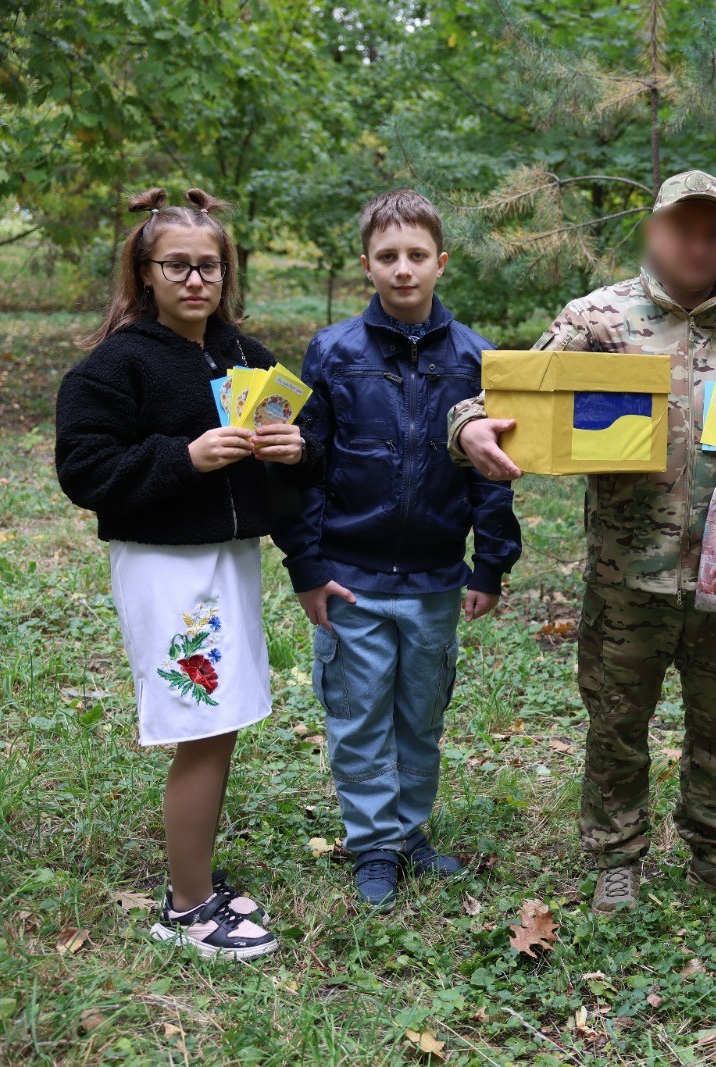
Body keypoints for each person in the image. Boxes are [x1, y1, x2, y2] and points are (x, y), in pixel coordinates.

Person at [449, 171, 716, 915]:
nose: (698, 245)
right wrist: (468, 428)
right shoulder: (599, 320)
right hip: (629, 570)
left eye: (713, 232)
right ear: (655, 231)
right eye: (683, 228)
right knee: (617, 722)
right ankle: (617, 859)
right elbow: (505, 401)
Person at [55, 187, 323, 958]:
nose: (196, 279)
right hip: (167, 568)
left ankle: (194, 872)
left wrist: (296, 450)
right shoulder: (117, 365)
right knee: (202, 726)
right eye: (178, 265)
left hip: (228, 561)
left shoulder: (244, 356)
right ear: (145, 272)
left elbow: (304, 447)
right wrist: (187, 456)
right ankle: (188, 909)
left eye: (210, 265)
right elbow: (85, 469)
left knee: (220, 721)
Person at [273, 190, 521, 909]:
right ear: (367, 265)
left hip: (436, 578)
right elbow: (306, 466)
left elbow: (492, 473)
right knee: (357, 717)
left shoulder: (477, 357)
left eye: (417, 255)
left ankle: (410, 832)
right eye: (388, 256)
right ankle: (374, 842)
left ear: (442, 262)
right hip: (350, 577)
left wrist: (491, 563)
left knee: (420, 715)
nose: (403, 269)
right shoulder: (333, 352)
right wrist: (307, 567)